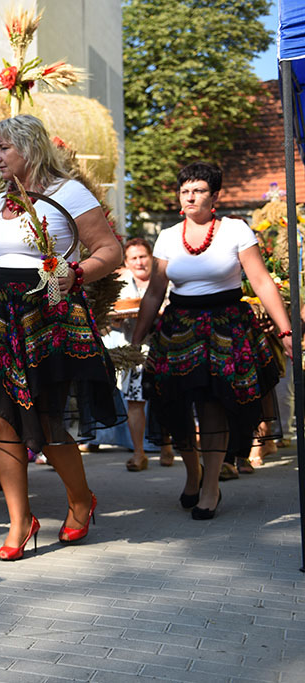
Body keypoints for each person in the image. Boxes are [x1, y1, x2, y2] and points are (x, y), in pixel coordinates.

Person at [0, 114, 124, 561]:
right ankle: (20, 522)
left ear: (29, 148)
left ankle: (81, 501)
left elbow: (111, 251)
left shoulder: (68, 193)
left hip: (46, 318)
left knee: (46, 420)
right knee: (1, 418)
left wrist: (74, 272)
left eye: (4, 147)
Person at [132, 162, 292, 520]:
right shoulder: (168, 236)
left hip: (225, 327)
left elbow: (262, 282)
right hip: (180, 329)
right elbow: (155, 292)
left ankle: (211, 486)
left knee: (214, 406)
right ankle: (193, 474)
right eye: (185, 190)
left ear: (215, 196)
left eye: (199, 190)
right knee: (175, 405)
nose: (190, 196)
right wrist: (137, 340)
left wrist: (285, 331)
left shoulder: (235, 229)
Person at [116, 237, 176, 471]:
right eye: (134, 258)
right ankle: (139, 453)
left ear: (151, 258)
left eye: (143, 256)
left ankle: (166, 446)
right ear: (126, 261)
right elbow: (110, 319)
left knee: (166, 399)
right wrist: (117, 319)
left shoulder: (166, 282)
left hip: (164, 349)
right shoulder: (120, 285)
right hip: (134, 350)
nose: (139, 262)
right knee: (134, 401)